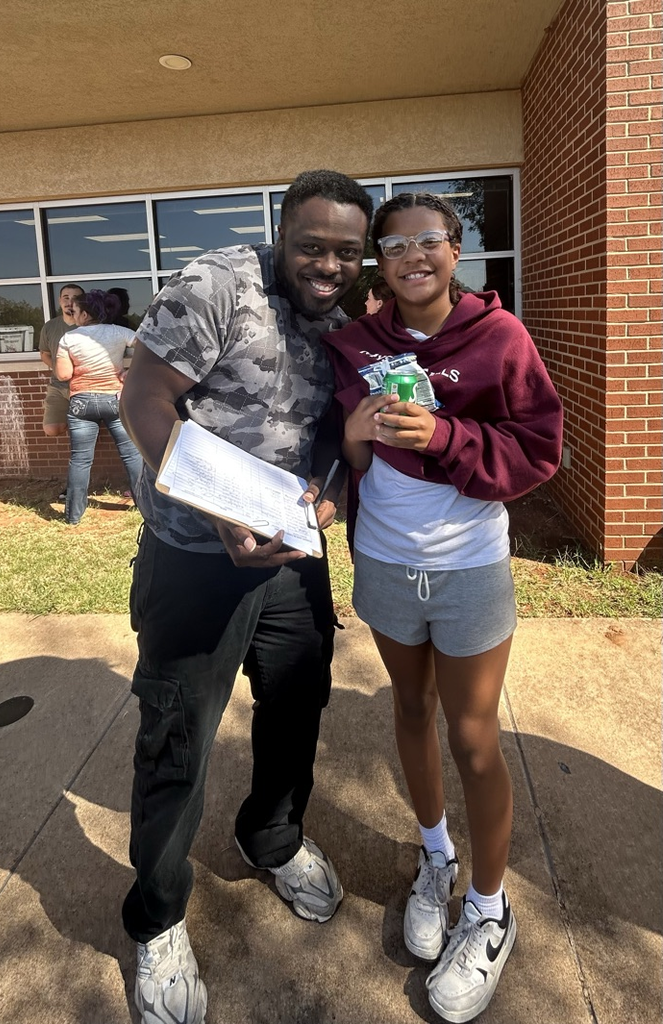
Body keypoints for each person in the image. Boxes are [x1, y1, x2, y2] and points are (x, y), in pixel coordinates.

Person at [118, 169, 372, 1024]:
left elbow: (337, 436)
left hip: (293, 557)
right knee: (176, 740)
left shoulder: (346, 320)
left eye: (345, 250)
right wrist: (215, 507)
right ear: (281, 233)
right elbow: (143, 396)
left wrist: (331, 496)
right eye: (311, 246)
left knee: (298, 708)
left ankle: (270, 835)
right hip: (194, 555)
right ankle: (156, 917)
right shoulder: (217, 284)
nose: (327, 265)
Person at [323, 192, 563, 1024]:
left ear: (457, 251)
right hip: (385, 564)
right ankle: (435, 857)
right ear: (378, 264)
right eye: (392, 245)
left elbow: (539, 449)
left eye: (428, 240)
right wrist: (358, 434)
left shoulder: (500, 338)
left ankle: (490, 908)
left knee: (473, 734)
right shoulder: (353, 343)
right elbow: (346, 452)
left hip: (466, 567)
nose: (411, 255)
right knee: (410, 710)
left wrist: (448, 438)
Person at [55, 289, 143, 526]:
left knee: (80, 460)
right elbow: (149, 348)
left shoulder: (68, 339)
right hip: (114, 400)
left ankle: (73, 516)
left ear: (84, 313)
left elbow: (64, 374)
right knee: (132, 454)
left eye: (75, 311)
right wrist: (129, 372)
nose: (73, 314)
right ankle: (147, 509)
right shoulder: (120, 332)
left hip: (81, 403)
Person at [39, 282, 84, 437]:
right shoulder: (50, 326)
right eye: (66, 297)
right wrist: (58, 367)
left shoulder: (89, 326)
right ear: (59, 301)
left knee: (83, 433)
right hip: (58, 386)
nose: (70, 302)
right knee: (51, 429)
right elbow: (44, 353)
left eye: (75, 298)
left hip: (84, 386)